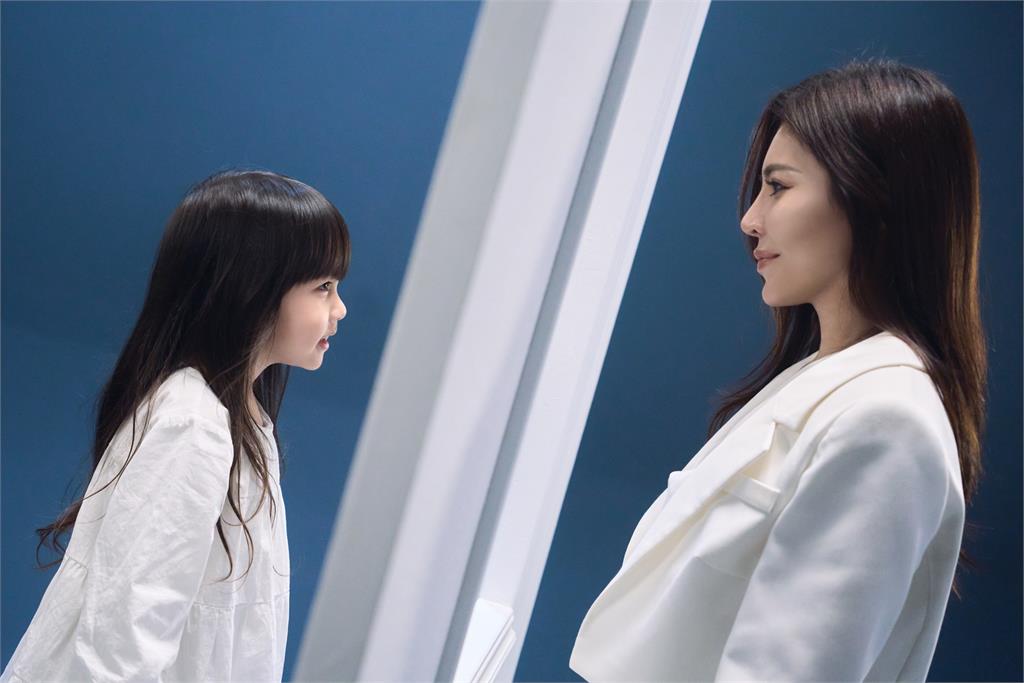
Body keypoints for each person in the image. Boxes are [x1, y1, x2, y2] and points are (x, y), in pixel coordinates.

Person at [570, 58, 986, 682]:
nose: (750, 219)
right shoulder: (824, 381)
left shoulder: (888, 421)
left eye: (779, 187)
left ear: (873, 198)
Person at [0, 169, 350, 682]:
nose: (339, 309)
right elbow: (124, 646)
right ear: (251, 287)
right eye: (323, 287)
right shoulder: (192, 425)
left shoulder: (240, 420)